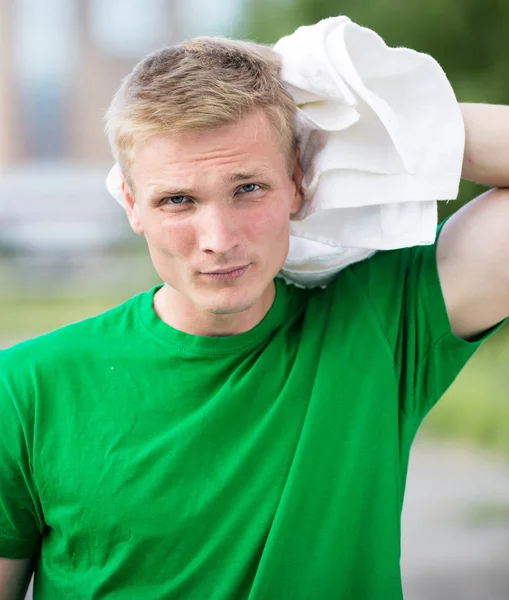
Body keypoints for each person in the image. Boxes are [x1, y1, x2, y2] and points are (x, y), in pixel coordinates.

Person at [0, 36, 508, 600]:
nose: (219, 241)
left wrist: (347, 99)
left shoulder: (383, 322)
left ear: (298, 181)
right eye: (177, 201)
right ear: (130, 203)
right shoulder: (23, 390)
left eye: (248, 188)